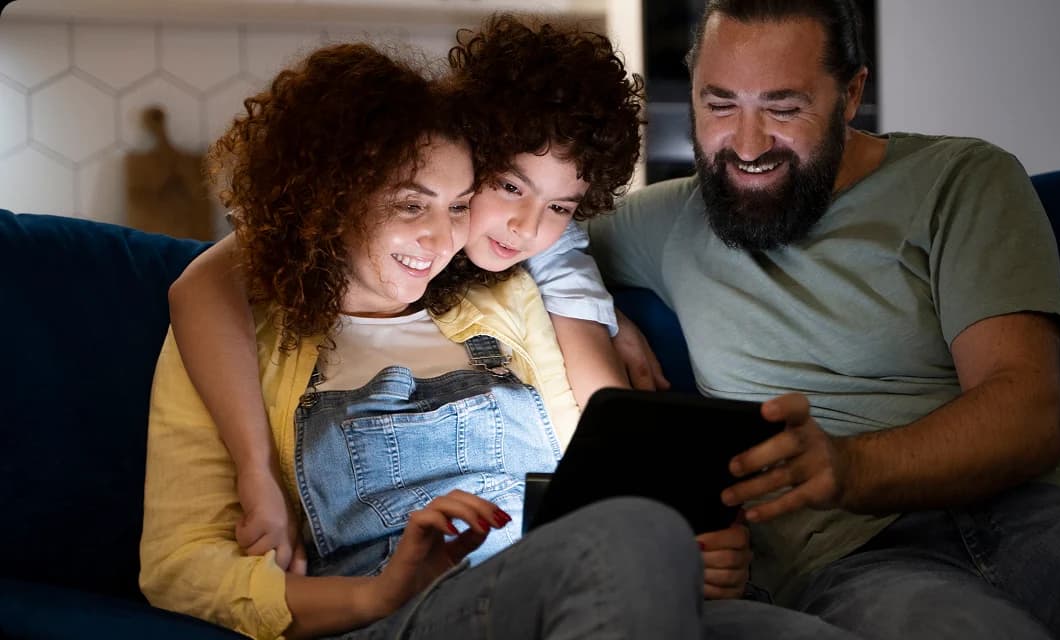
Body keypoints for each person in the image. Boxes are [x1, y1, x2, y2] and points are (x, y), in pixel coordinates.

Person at [137, 40, 708, 640]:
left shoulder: (510, 297)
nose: (441, 239)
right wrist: (372, 596)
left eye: (460, 205)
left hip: (562, 587)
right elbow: (180, 569)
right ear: (334, 199)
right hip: (402, 617)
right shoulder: (231, 340)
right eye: (413, 204)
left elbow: (596, 470)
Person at [588, 1, 1060, 639]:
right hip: (855, 560)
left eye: (783, 107)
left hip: (1040, 511)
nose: (747, 145)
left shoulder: (961, 179)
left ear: (850, 93)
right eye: (719, 105)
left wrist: (848, 466)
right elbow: (518, 241)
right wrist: (594, 306)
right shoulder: (665, 222)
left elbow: (1026, 416)